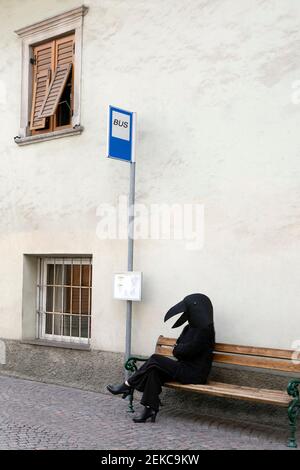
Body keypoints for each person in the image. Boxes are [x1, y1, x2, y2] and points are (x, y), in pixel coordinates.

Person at [107, 293, 215, 423]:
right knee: (153, 370)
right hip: (183, 368)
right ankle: (149, 408)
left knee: (155, 359)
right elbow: (179, 349)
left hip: (194, 374)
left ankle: (128, 384)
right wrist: (180, 349)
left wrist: (179, 349)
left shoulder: (205, 331)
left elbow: (187, 350)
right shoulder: (188, 328)